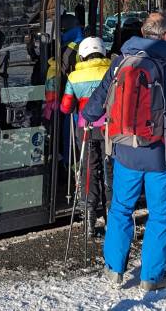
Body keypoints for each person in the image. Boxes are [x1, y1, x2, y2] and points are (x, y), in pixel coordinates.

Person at [83, 12, 166, 291]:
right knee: (159, 214)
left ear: (145, 33)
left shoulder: (121, 62)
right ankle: (151, 276)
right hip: (161, 154)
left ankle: (114, 270)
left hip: (125, 150)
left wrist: (86, 118)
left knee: (120, 208)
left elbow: (94, 105)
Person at [60, 37, 112, 235]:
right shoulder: (113, 71)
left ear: (82, 55)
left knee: (89, 170)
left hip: (86, 129)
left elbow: (66, 107)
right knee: (109, 171)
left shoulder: (74, 77)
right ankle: (111, 217)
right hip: (110, 129)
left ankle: (89, 220)